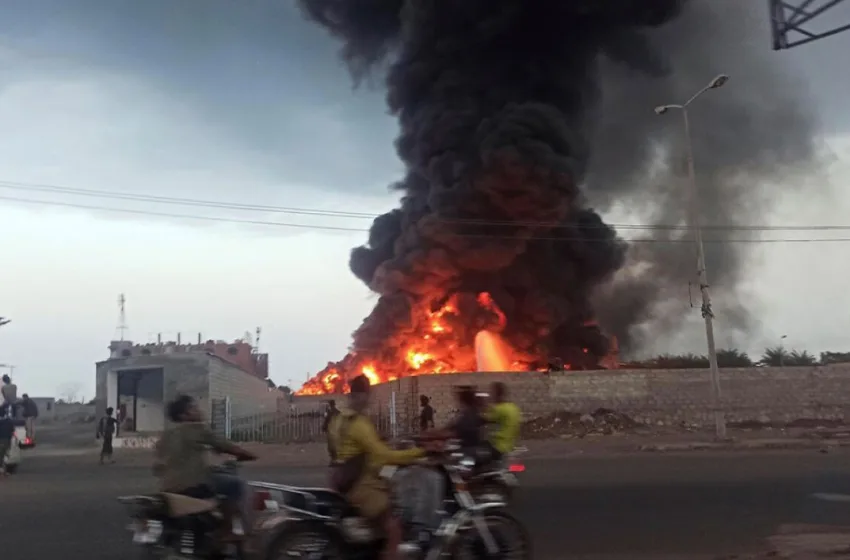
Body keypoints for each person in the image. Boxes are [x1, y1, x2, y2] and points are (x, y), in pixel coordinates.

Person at [329, 375, 440, 560]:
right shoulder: (359, 424)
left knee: (390, 488)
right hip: (361, 485)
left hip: (341, 479)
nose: (368, 399)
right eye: (367, 394)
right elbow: (385, 455)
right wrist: (420, 452)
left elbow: (339, 449)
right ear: (363, 395)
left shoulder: (338, 420)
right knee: (394, 528)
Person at [153, 394, 257, 540]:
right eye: (194, 408)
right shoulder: (196, 428)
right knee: (236, 485)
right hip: (192, 484)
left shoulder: (165, 435)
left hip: (167, 487)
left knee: (215, 479)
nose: (199, 410)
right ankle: (228, 530)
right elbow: (225, 445)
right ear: (184, 415)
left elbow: (158, 465)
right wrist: (248, 455)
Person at [482, 382, 521, 463]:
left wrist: (483, 405)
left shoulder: (499, 409)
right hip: (510, 443)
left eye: (492, 393)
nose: (491, 395)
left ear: (496, 394)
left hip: (498, 446)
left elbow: (485, 419)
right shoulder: (512, 407)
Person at [322, 399, 340, 464]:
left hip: (331, 431)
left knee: (331, 446)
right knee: (336, 445)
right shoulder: (338, 412)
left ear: (330, 405)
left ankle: (334, 459)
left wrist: (324, 428)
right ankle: (336, 459)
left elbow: (326, 421)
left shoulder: (330, 413)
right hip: (337, 431)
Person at [0, 404, 13, 477]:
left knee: (1, 454)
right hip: (7, 439)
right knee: (7, 454)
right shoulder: (9, 421)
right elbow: (12, 430)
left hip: (2, 439)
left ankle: (1, 468)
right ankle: (8, 470)